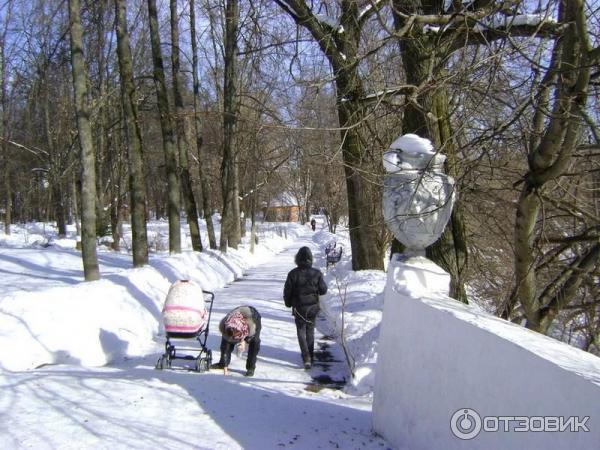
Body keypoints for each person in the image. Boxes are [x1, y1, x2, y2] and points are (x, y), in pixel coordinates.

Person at [283, 246, 327, 369]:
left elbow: (287, 291)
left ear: (297, 259)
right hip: (313, 307)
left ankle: (306, 356)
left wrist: (288, 303)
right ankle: (310, 356)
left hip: (299, 307)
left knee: (301, 331)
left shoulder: (293, 274)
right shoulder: (317, 273)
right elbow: (323, 290)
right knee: (310, 330)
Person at [211, 305, 261, 377]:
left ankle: (251, 368)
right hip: (237, 323)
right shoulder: (225, 324)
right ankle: (222, 363)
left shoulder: (251, 325)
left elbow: (250, 335)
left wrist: (244, 341)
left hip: (253, 318)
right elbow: (227, 338)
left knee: (255, 342)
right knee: (226, 343)